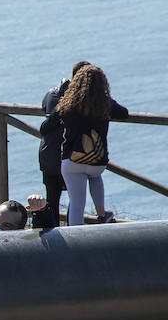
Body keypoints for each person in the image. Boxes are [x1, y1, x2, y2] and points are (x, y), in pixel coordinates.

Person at [41, 64, 129, 228]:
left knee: (76, 205)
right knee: (95, 176)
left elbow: (45, 127)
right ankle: (102, 214)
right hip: (97, 161)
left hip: (72, 161)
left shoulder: (68, 105)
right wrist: (106, 97)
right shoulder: (105, 104)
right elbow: (124, 113)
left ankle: (76, 239)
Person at [36, 60, 91, 227]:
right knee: (75, 200)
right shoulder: (81, 101)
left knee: (52, 200)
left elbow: (45, 109)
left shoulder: (51, 94)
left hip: (47, 155)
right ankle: (71, 236)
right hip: (68, 156)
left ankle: (53, 239)